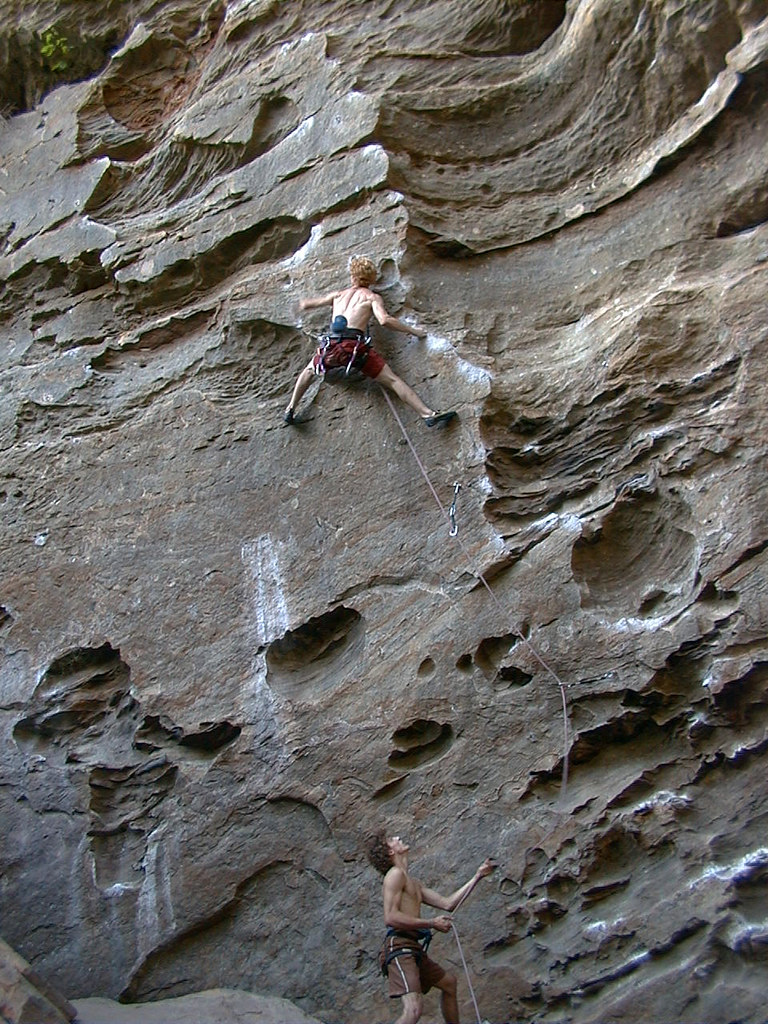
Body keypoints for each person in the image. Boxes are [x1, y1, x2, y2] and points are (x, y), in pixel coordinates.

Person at [284, 256, 457, 427]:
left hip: (332, 348)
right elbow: (384, 320)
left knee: (308, 371)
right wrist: (414, 331)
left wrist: (300, 305)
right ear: (372, 280)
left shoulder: (337, 295)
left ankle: (290, 409)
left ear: (352, 277)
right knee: (393, 381)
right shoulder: (371, 297)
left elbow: (309, 304)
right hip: (355, 350)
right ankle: (427, 414)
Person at [366, 831, 496, 1024]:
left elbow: (448, 903)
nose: (398, 838)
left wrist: (477, 876)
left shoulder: (413, 883)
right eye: (392, 840)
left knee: (449, 984)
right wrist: (431, 923)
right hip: (399, 947)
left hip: (412, 947)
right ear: (390, 851)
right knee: (413, 1009)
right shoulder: (394, 875)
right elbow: (391, 917)